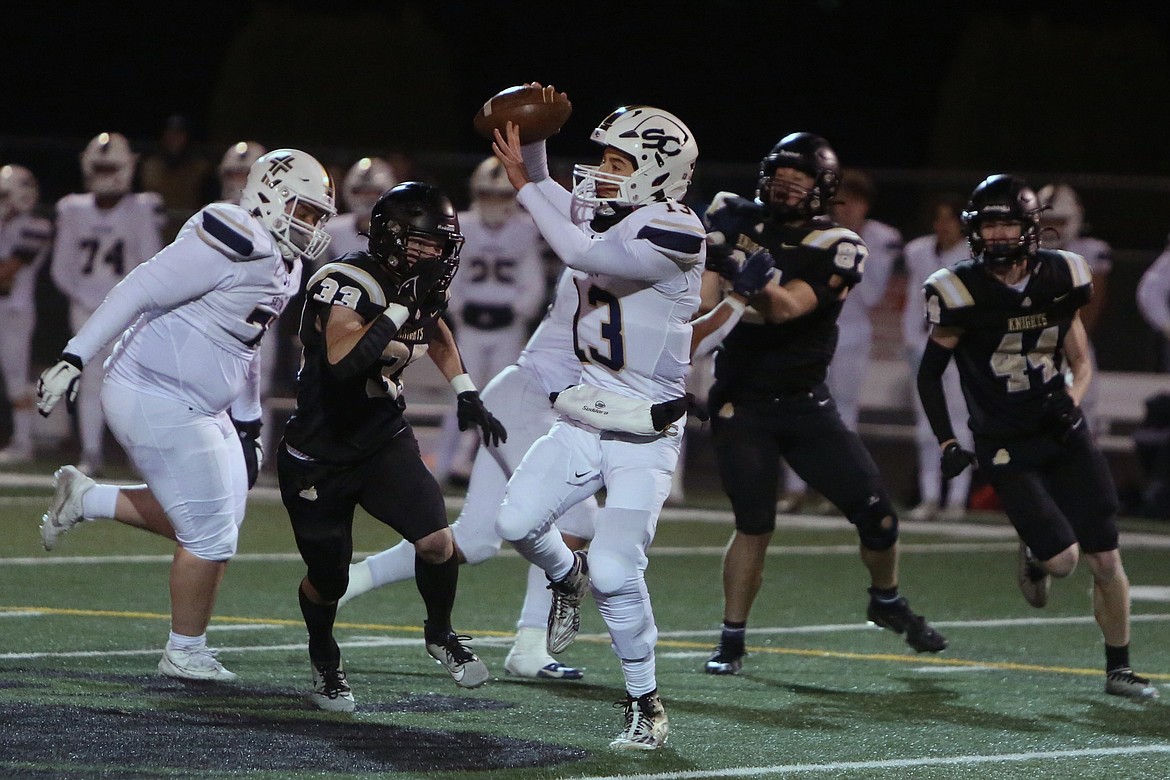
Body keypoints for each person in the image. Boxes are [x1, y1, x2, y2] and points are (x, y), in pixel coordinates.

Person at [35, 147, 336, 682]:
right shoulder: (234, 235)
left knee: (221, 515)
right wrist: (75, 356)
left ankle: (88, 497)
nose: (309, 225)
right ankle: (183, 651)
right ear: (269, 196)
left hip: (204, 401)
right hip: (152, 390)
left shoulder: (284, 261)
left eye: (316, 215)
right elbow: (140, 288)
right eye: (304, 209)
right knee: (211, 534)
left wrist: (248, 422)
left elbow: (247, 344)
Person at [700, 132, 948, 678]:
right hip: (741, 398)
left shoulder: (839, 243)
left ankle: (885, 598)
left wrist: (744, 271)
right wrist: (717, 265)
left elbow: (789, 308)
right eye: (781, 176)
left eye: (801, 179)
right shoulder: (729, 212)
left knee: (879, 516)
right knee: (754, 521)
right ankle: (731, 639)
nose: (788, 187)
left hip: (805, 402)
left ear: (823, 188)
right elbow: (704, 303)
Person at [916, 173, 1157, 699]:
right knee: (1064, 563)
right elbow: (929, 373)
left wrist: (1070, 403)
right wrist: (947, 441)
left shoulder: (1062, 275)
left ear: (1030, 228)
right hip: (1004, 438)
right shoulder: (958, 288)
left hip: (1060, 428)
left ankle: (1119, 667)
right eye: (990, 226)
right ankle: (1034, 551)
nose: (999, 237)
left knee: (1106, 556)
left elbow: (1081, 361)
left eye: (1008, 225)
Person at [278, 181, 507, 712]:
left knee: (436, 540)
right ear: (389, 236)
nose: (434, 256)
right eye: (423, 243)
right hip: (321, 453)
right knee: (329, 578)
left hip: (381, 438)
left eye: (441, 246)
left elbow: (437, 329)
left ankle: (440, 633)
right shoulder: (345, 281)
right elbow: (342, 363)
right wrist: (401, 310)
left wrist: (464, 390)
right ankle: (323, 655)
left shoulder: (413, 287)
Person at [779, 168, 902, 510]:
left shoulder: (880, 237)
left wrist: (854, 246)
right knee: (797, 405)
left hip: (853, 332)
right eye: (842, 201)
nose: (846, 209)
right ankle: (795, 488)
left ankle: (837, 488)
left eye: (855, 202)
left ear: (866, 205)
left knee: (844, 412)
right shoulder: (817, 229)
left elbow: (873, 294)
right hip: (812, 329)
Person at [51, 132, 165, 475]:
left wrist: (127, 302)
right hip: (85, 306)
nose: (104, 174)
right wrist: (86, 298)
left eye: (109, 167)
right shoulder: (73, 209)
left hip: (127, 309)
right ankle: (92, 453)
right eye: (99, 166)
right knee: (90, 381)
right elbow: (61, 267)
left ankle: (136, 454)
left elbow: (152, 261)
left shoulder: (141, 208)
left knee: (135, 380)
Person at [432, 156, 547, 486]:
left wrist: (517, 309)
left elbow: (533, 281)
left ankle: (493, 469)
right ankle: (443, 465)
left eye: (500, 195)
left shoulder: (525, 227)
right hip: (469, 325)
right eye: (488, 194)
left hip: (508, 326)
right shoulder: (463, 225)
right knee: (460, 394)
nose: (494, 202)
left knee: (502, 399)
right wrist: (457, 307)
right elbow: (451, 273)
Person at [902, 194, 972, 521]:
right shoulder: (918, 252)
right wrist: (912, 342)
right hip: (926, 345)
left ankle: (957, 497)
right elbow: (913, 302)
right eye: (938, 218)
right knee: (925, 424)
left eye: (950, 218)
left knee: (960, 420)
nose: (943, 226)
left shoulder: (973, 255)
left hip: (961, 350)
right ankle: (929, 495)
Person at [1037, 183, 1112, 434]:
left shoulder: (1090, 251)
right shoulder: (1027, 253)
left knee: (1083, 407)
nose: (1053, 227)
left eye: (1059, 220)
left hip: (1074, 340)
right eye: (1048, 220)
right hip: (1033, 341)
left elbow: (1094, 300)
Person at [0, 164, 53, 463]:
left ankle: (23, 442)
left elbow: (7, 272)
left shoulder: (35, 226)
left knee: (16, 378)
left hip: (15, 311)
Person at [138, 114, 213, 241]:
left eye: (179, 134)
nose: (174, 139)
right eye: (170, 133)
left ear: (187, 137)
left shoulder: (201, 170)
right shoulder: (148, 167)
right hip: (154, 235)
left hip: (188, 236)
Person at [324, 156, 399, 263]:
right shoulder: (331, 229)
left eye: (372, 192)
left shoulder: (397, 232)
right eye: (360, 191)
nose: (366, 197)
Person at [216, 141, 267, 206]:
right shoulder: (213, 212)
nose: (237, 181)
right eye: (232, 175)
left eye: (245, 175)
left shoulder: (277, 212)